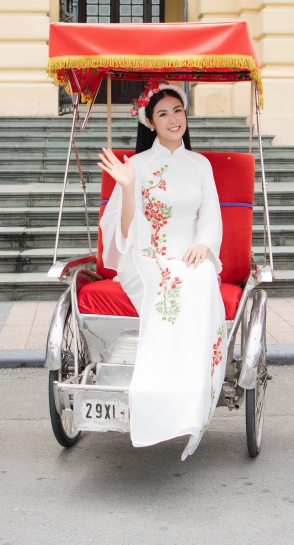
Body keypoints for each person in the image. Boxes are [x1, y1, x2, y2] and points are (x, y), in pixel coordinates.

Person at [98, 84, 225, 459]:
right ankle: (156, 398)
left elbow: (211, 217)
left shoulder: (201, 165)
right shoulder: (135, 166)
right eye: (164, 114)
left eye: (178, 111)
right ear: (150, 123)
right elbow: (125, 234)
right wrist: (128, 187)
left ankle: (189, 395)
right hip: (146, 256)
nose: (174, 119)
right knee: (171, 285)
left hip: (188, 253)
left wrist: (204, 244)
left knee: (200, 278)